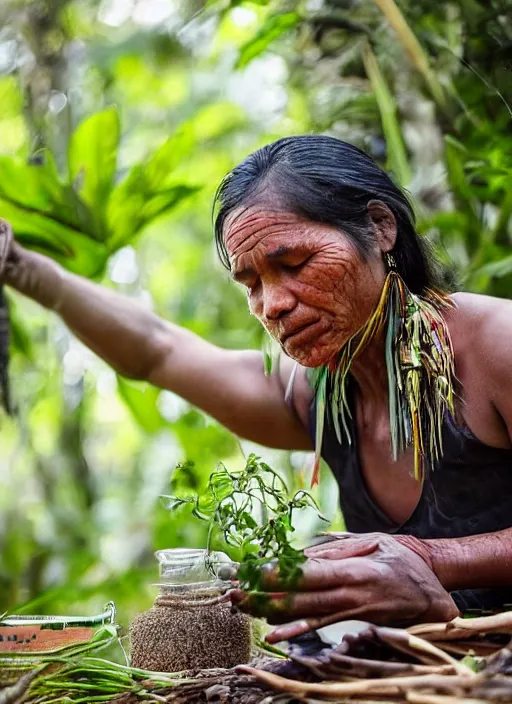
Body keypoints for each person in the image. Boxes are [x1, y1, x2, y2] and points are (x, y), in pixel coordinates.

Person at [2, 135, 511, 644]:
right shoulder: (312, 396)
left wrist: (431, 558)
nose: (273, 305)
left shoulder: (493, 345)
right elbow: (157, 350)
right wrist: (21, 268)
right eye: (252, 284)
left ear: (380, 228)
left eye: (295, 264)